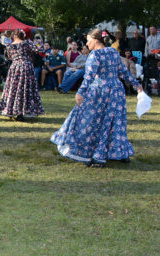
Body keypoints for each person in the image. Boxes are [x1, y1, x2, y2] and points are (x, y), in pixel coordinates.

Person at [51, 28, 143, 166]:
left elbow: (89, 76)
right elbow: (123, 71)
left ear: (95, 40)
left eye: (88, 40)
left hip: (100, 91)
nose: (87, 44)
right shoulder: (113, 51)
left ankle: (96, 154)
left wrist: (81, 92)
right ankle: (119, 152)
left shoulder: (95, 55)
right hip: (117, 91)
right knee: (116, 123)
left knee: (90, 121)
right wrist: (137, 85)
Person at [0, 29, 44, 121]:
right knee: (24, 90)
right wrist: (39, 40)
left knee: (13, 89)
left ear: (14, 36)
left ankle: (11, 110)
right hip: (26, 67)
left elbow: (8, 57)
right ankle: (21, 112)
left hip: (15, 67)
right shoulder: (27, 43)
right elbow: (39, 49)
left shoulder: (9, 45)